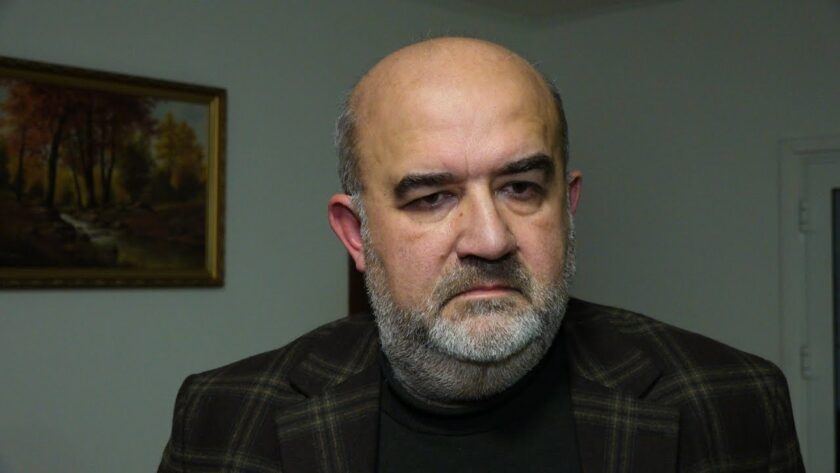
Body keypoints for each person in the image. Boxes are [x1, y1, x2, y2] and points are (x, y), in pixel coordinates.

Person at [158, 37, 804, 472]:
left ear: (567, 207)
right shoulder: (226, 416)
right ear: (356, 234)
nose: (490, 240)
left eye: (521, 187)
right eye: (432, 197)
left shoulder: (729, 400)